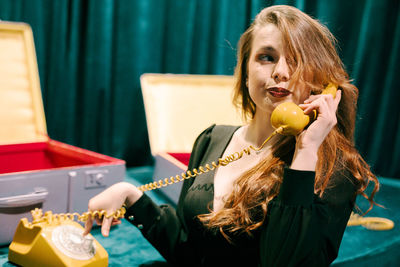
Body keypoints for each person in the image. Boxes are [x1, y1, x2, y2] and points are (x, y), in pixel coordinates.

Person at [84, 5, 379, 266]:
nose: (281, 71)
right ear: (245, 71)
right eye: (266, 57)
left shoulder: (333, 167)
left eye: (297, 60)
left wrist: (305, 152)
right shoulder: (212, 139)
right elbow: (189, 251)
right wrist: (132, 196)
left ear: (320, 79)